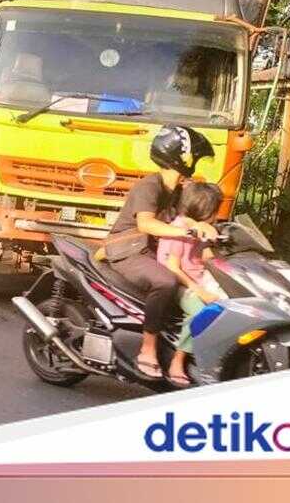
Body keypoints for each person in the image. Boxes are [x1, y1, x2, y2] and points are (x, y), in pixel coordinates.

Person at [104, 124, 217, 381]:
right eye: (194, 159)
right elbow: (146, 224)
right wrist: (186, 231)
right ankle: (147, 348)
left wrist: (204, 226)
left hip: (151, 250)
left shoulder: (179, 190)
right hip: (128, 250)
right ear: (181, 157)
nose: (195, 165)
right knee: (165, 281)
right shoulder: (149, 186)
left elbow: (189, 217)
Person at [156, 182, 228, 388]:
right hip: (179, 282)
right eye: (214, 211)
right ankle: (177, 361)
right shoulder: (180, 230)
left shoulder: (199, 228)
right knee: (200, 314)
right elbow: (173, 267)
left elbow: (208, 257)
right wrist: (200, 291)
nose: (216, 216)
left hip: (199, 278)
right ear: (203, 208)